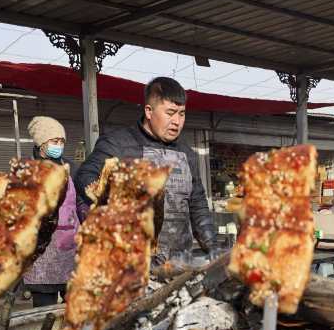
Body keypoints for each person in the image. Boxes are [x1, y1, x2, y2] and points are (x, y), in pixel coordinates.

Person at [74, 77, 216, 264]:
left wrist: (212, 246)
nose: (177, 121)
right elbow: (85, 176)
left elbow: (198, 205)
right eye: (170, 113)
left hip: (178, 264)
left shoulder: (186, 153)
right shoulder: (118, 144)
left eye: (181, 114)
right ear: (149, 111)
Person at [23, 116, 80, 308]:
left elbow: (79, 202)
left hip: (69, 247)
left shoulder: (70, 167)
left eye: (62, 141)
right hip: (43, 252)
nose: (59, 145)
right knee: (44, 309)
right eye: (55, 141)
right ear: (41, 143)